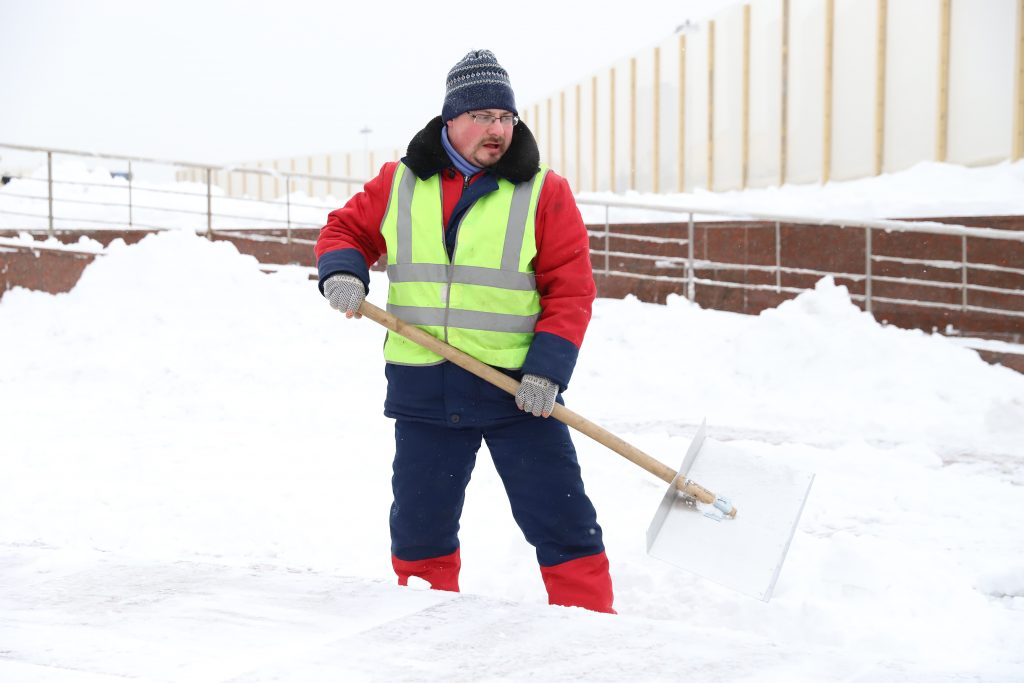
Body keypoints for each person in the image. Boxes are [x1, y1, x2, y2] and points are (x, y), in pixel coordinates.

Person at [314, 49, 614, 614]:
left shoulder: (544, 193)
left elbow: (570, 291)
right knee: (420, 530)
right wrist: (343, 274)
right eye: (484, 117)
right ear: (451, 119)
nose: (498, 130)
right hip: (424, 389)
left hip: (517, 392)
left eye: (507, 118)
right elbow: (344, 231)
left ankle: (595, 631)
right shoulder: (400, 183)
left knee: (564, 520)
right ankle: (423, 633)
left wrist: (546, 372)